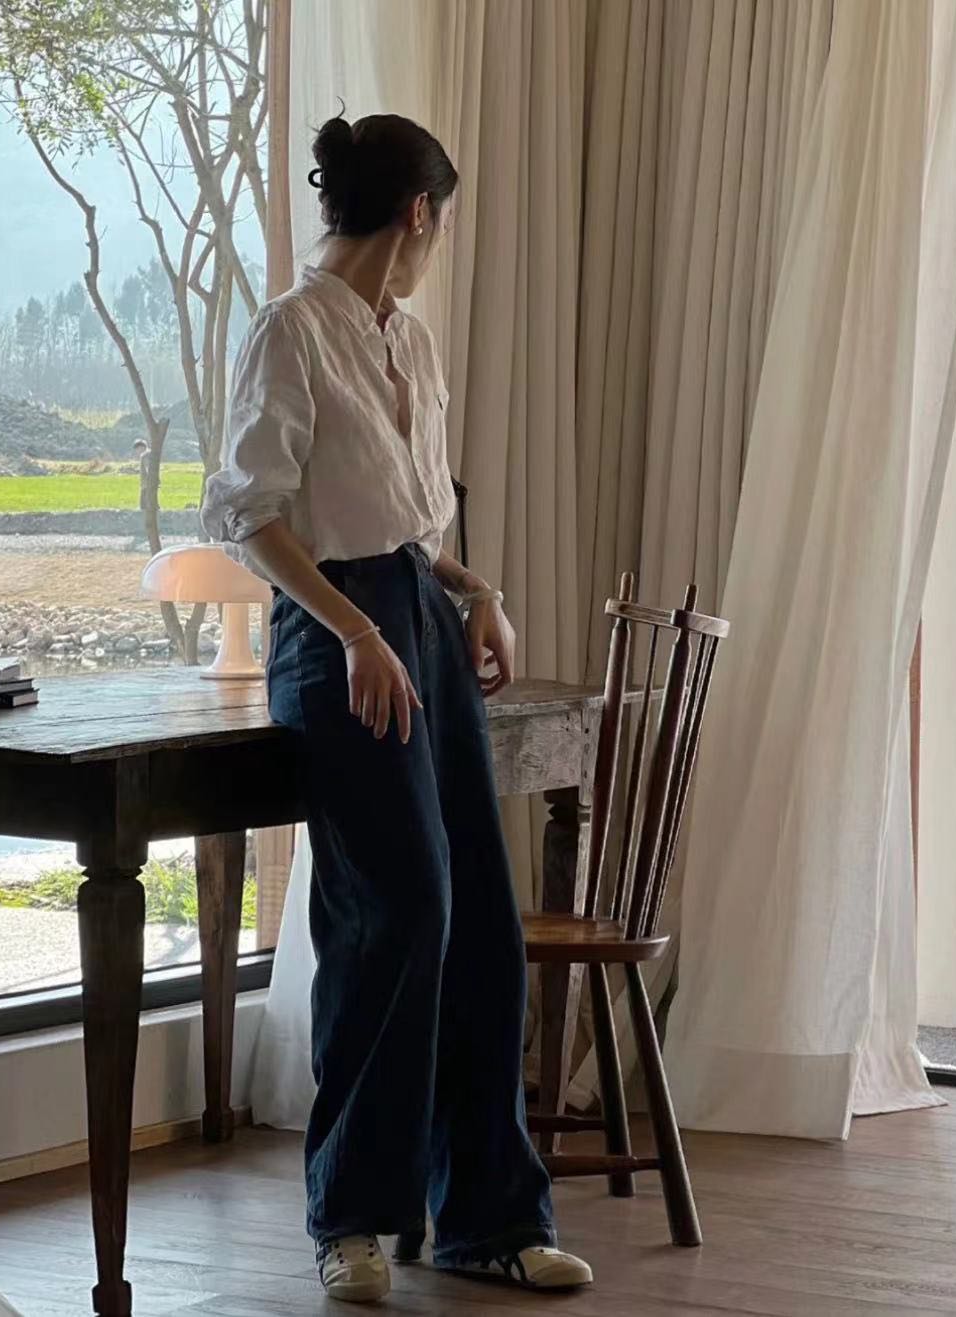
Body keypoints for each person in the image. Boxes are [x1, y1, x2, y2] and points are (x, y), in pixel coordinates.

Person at [201, 112, 593, 1303]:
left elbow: (408, 527)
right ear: (419, 213)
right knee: (399, 911)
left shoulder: (407, 342)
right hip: (337, 635)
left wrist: (477, 594)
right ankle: (353, 1219)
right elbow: (252, 516)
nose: (439, 241)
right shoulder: (289, 331)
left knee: (480, 919)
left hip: (415, 615)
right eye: (443, 221)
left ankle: (488, 1219)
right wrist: (359, 631)